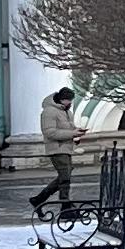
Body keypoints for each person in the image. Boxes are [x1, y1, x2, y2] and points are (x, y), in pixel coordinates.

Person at [33, 84, 83, 215]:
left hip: (66, 148)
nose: (70, 103)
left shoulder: (67, 112)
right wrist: (72, 134)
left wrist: (77, 134)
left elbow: (69, 128)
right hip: (56, 148)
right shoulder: (49, 112)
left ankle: (39, 199)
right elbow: (50, 133)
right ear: (62, 99)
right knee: (65, 177)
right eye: (68, 100)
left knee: (64, 176)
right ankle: (65, 207)